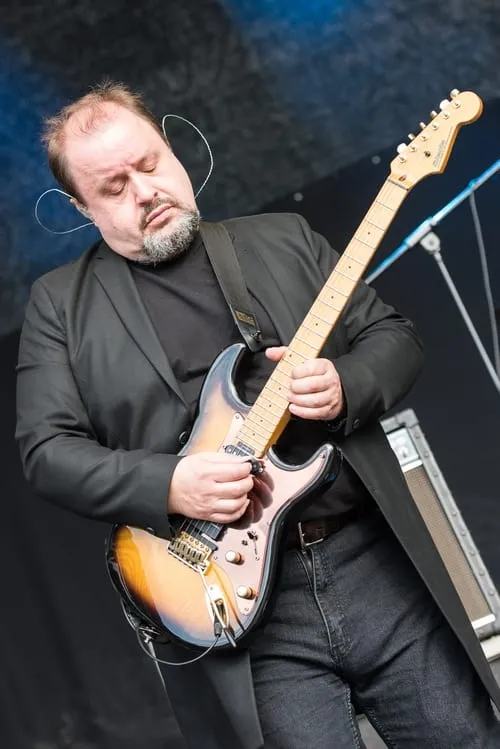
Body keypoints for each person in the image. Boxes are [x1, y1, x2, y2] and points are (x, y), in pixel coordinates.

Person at [16, 81, 500, 749]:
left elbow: (394, 338)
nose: (144, 192)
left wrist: (344, 382)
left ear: (172, 147)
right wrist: (169, 483)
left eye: (149, 163)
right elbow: (45, 450)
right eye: (113, 187)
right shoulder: (60, 306)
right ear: (81, 206)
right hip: (237, 612)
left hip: (375, 567)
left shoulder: (282, 239)